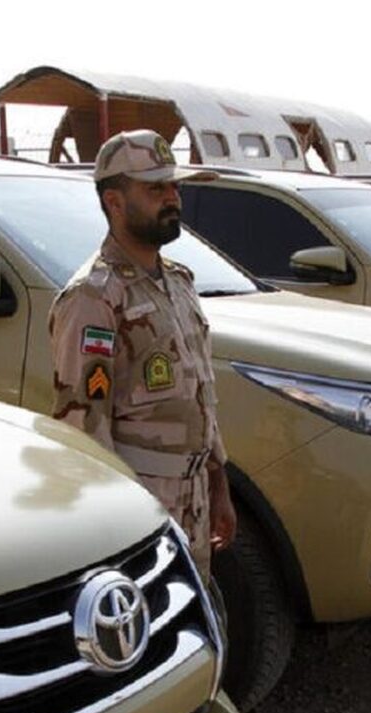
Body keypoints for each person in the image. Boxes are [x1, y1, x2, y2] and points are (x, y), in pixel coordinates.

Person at [48, 129, 236, 581]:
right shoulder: (94, 297)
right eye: (155, 189)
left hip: (194, 498)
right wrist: (119, 524)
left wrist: (219, 482)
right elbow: (85, 428)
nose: (172, 198)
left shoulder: (179, 282)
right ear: (114, 202)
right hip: (142, 504)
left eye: (174, 187)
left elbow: (200, 395)